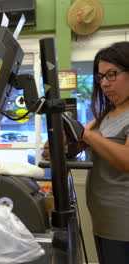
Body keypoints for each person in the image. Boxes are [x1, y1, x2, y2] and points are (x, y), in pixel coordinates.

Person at [81, 41, 129, 264]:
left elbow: (126, 160)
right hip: (103, 220)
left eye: (112, 75)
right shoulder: (107, 115)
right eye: (101, 77)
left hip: (123, 223)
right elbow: (78, 137)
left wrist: (88, 136)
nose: (105, 84)